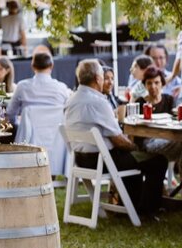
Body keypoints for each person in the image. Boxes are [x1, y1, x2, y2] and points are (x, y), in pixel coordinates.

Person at [64, 59, 167, 217]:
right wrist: (134, 147)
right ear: (98, 78)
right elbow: (118, 140)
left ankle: (129, 207)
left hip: (81, 159)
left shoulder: (71, 100)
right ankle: (147, 210)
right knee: (158, 160)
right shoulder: (98, 102)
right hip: (103, 160)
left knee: (131, 159)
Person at [135, 67, 182, 167]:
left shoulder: (169, 100)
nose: (153, 86)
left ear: (162, 84)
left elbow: (176, 121)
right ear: (144, 85)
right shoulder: (140, 103)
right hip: (148, 144)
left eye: (156, 82)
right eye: (149, 83)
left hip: (168, 140)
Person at [6, 53, 70, 122]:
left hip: (29, 132)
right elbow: (69, 112)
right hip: (56, 132)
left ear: (32, 66)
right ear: (52, 66)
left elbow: (10, 113)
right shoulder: (62, 88)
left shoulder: (22, 86)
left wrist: (18, 125)